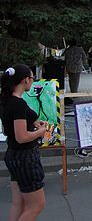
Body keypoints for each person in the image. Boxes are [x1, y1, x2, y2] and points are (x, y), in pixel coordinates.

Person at [0, 65, 48, 220]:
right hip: (25, 157)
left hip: (13, 155)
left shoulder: (7, 100)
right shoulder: (17, 103)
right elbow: (22, 137)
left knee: (18, 203)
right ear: (26, 79)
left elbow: (14, 125)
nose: (33, 81)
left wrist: (32, 122)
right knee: (36, 205)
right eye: (32, 78)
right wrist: (40, 132)